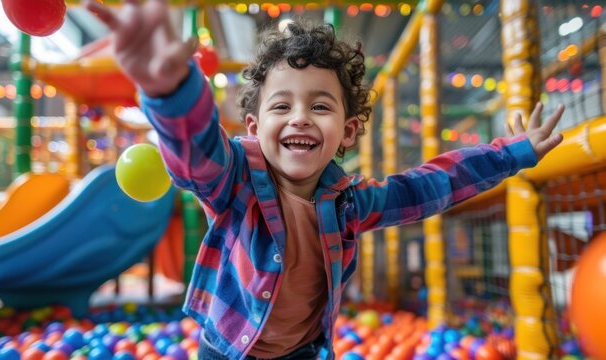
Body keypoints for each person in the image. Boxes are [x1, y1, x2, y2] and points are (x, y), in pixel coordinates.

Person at [85, 1, 565, 358]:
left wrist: (513, 153)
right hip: (228, 345)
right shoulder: (236, 182)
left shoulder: (352, 204)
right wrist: (170, 89)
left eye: (320, 106)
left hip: (302, 350)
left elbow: (432, 186)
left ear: (346, 132)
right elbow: (195, 155)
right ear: (254, 129)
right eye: (281, 106)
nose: (299, 118)